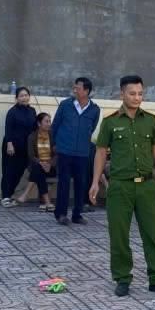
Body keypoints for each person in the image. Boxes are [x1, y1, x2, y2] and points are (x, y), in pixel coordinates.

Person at [89, 75, 155, 298]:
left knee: (152, 234)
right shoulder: (110, 121)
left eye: (140, 93)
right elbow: (101, 152)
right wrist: (94, 182)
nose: (137, 97)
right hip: (120, 186)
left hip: (147, 186)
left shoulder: (150, 120)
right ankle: (122, 278)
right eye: (132, 93)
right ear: (121, 94)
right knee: (119, 235)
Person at [51, 77, 100, 225]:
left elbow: (91, 128)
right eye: (74, 87)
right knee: (64, 183)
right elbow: (55, 126)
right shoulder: (65, 105)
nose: (74, 90)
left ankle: (77, 215)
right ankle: (61, 214)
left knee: (81, 183)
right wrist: (55, 145)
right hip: (65, 151)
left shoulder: (94, 109)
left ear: (86, 91)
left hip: (83, 153)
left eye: (77, 88)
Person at [0, 86, 38, 208]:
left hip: (25, 148)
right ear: (16, 98)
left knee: (19, 172)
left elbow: (34, 129)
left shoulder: (32, 111)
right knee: (9, 171)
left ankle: (10, 195)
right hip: (12, 147)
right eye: (21, 96)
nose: (24, 98)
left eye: (26, 95)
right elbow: (8, 129)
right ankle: (5, 197)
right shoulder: (13, 112)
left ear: (29, 97)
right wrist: (10, 144)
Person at [26, 112, 57, 212]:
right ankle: (47, 202)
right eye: (46, 121)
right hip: (39, 165)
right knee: (38, 169)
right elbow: (31, 156)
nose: (49, 124)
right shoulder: (32, 137)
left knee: (37, 171)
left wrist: (49, 164)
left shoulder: (54, 136)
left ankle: (27, 194)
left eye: (49, 121)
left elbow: (58, 154)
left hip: (52, 167)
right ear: (39, 124)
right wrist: (41, 163)